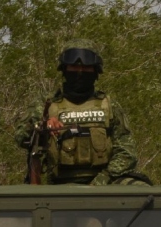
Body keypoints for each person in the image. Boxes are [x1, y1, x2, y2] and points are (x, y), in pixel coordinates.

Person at [14, 39, 148, 185]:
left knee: (140, 189)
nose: (79, 72)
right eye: (73, 67)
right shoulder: (46, 104)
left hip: (105, 181)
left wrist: (101, 180)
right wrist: (41, 127)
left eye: (86, 68)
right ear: (64, 69)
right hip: (58, 184)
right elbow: (21, 138)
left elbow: (127, 153)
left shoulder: (109, 106)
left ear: (95, 71)